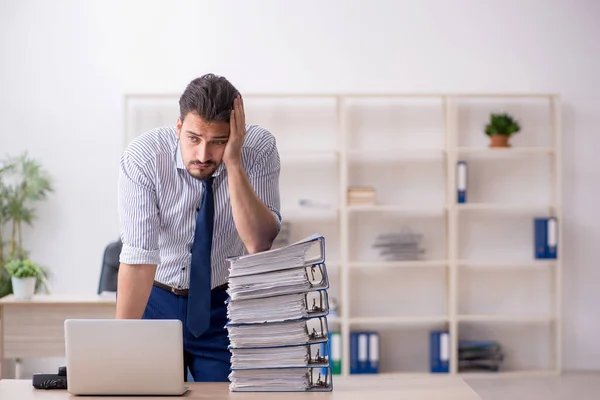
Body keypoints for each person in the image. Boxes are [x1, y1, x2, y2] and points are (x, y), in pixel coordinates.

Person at [115, 73, 281, 382]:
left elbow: (258, 243)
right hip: (155, 302)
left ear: (234, 134)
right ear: (178, 127)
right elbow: (139, 258)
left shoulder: (257, 151)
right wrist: (120, 348)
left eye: (217, 141)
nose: (203, 156)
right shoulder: (144, 158)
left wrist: (233, 162)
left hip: (223, 308)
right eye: (193, 139)